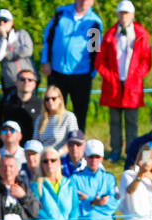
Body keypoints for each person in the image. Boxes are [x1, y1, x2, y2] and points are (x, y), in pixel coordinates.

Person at [98, 1, 152, 161]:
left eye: (127, 13)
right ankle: (115, 150)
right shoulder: (108, 34)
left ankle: (131, 150)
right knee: (114, 121)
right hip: (113, 84)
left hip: (132, 85)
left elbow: (146, 60)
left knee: (131, 121)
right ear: (117, 15)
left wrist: (137, 75)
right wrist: (109, 76)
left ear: (133, 15)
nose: (124, 16)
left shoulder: (141, 34)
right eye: (121, 13)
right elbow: (99, 60)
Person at [41, 0, 104, 131]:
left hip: (81, 75)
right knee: (53, 110)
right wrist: (45, 60)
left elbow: (95, 50)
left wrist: (91, 74)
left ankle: (77, 145)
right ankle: (53, 141)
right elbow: (48, 38)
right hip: (57, 72)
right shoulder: (61, 13)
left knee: (79, 113)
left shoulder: (94, 22)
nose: (84, 2)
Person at [70, 138, 118, 220]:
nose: (94, 160)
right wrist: (92, 203)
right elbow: (72, 209)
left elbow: (114, 205)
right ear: (85, 157)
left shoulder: (109, 179)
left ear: (102, 158)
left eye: (97, 157)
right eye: (91, 157)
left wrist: (89, 202)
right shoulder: (75, 179)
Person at [0, 9, 36, 98]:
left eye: (5, 20)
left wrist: (8, 54)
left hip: (28, 81)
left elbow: (28, 50)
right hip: (10, 83)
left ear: (11, 22)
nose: (2, 23)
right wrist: (3, 38)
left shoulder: (21, 34)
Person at [0, 67, 42, 145]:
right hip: (7, 149)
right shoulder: (6, 102)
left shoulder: (40, 105)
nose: (26, 82)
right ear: (16, 82)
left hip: (30, 151)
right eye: (22, 79)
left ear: (35, 84)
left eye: (30, 80)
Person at [33, 147, 78, 220]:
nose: (49, 163)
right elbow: (38, 213)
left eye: (53, 160)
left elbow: (75, 211)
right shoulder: (36, 186)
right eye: (45, 161)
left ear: (59, 162)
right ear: (41, 164)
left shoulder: (69, 184)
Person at [36, 84, 79, 154]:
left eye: (53, 98)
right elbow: (35, 141)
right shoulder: (40, 118)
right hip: (43, 158)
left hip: (61, 156)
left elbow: (73, 140)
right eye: (47, 99)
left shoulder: (69, 117)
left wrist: (58, 154)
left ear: (60, 99)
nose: (50, 101)